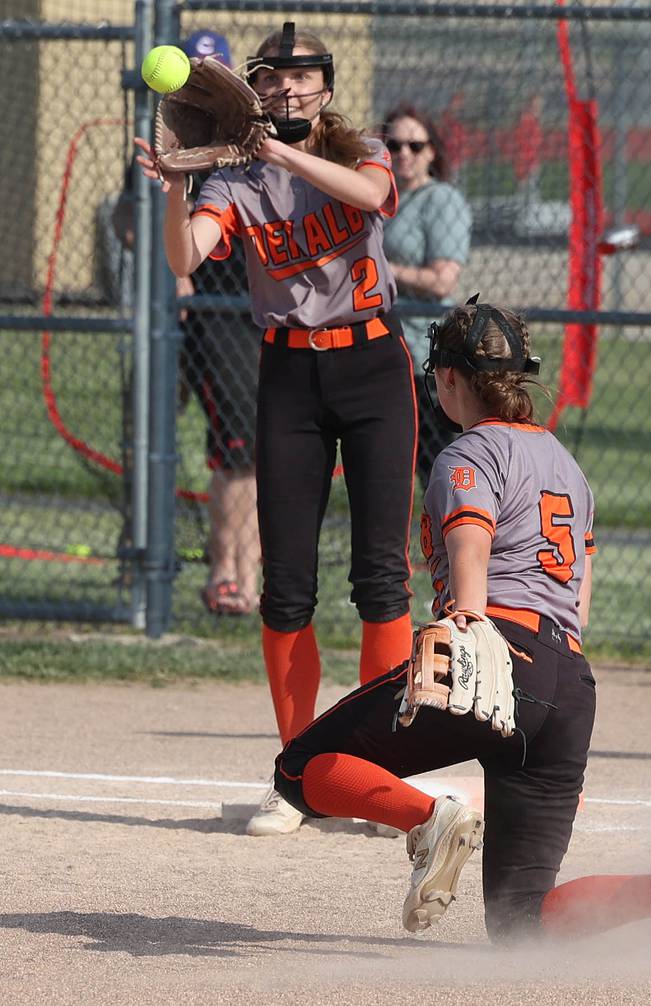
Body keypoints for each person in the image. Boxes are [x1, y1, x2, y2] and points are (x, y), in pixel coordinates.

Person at [269, 301, 651, 956]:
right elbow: (577, 601)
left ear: (447, 380)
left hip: (500, 653)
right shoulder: (569, 466)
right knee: (522, 923)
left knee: (300, 770)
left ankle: (431, 821)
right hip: (568, 685)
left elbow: (471, 541)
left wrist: (469, 623)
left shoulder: (464, 454)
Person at [135, 23, 417, 836]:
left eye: (303, 77)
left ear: (326, 86)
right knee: (287, 585)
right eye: (272, 78)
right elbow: (187, 260)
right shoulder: (234, 177)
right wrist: (178, 184)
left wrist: (278, 153)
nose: (288, 90)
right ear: (252, 87)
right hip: (289, 376)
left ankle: (376, 773)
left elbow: (370, 198)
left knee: (381, 577)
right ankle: (297, 774)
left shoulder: (359, 147)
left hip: (373, 367)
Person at [178, 30, 262, 616]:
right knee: (237, 451)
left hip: (261, 310)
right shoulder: (178, 135)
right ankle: (227, 571)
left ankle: (247, 572)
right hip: (213, 315)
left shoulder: (249, 139)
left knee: (262, 453)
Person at [381, 106, 472, 487]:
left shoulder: (441, 199)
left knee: (437, 467)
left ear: (432, 151)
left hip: (423, 354)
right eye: (394, 144)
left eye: (415, 145)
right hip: (385, 348)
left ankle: (458, 545)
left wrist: (384, 270)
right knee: (390, 466)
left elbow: (442, 281)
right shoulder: (381, 198)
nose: (404, 153)